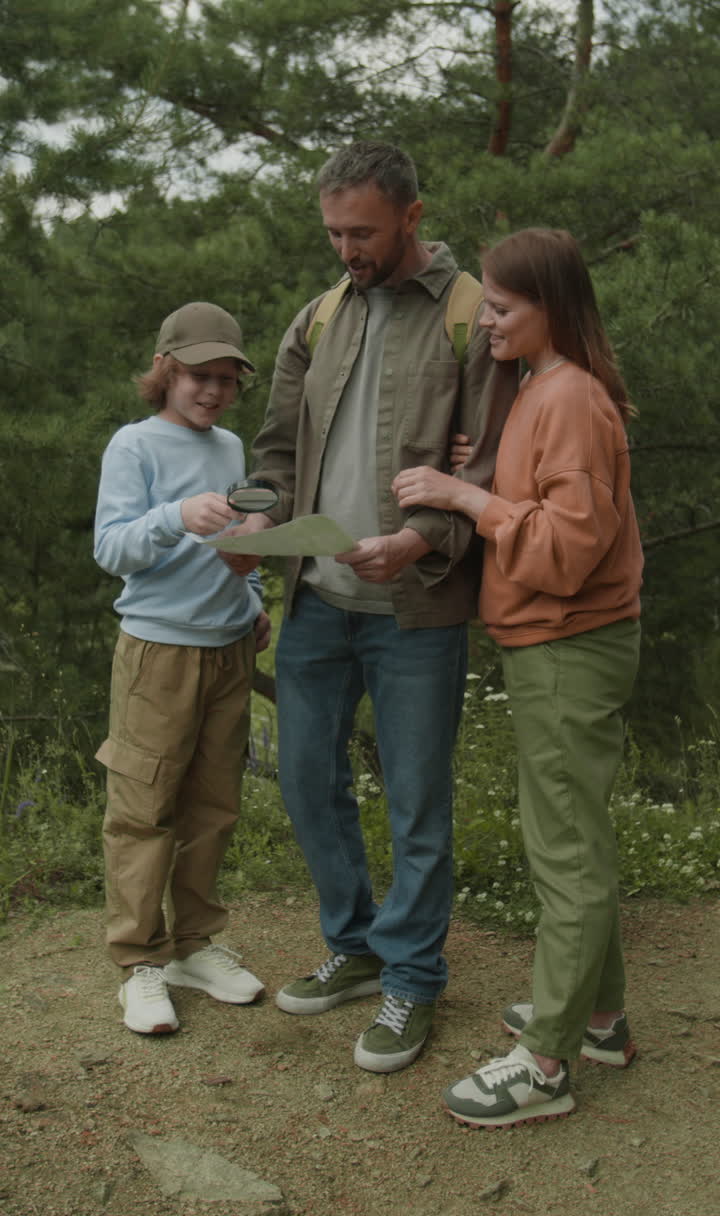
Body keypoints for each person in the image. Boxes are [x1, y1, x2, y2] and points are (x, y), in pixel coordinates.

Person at [228, 141, 518, 1073]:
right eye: (334, 232)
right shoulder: (317, 318)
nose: (346, 248)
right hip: (317, 597)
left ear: (411, 217)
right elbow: (275, 452)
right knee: (310, 785)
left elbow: (492, 466)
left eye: (362, 231)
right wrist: (250, 517)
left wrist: (423, 538)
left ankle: (413, 980)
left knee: (416, 807)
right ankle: (354, 947)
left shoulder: (472, 316)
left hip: (419, 607)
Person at [393, 227, 643, 1125]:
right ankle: (600, 1019)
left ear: (553, 309)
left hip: (571, 643)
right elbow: (546, 504)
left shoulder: (570, 396)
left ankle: (545, 1066)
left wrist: (464, 496)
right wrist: (485, 473)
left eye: (501, 307)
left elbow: (569, 551)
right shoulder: (543, 389)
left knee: (566, 852)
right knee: (572, 835)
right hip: (555, 645)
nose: (485, 321)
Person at [94, 301, 271, 1036]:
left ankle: (195, 943)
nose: (214, 392)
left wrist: (254, 595)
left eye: (227, 378)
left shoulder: (231, 447)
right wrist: (172, 517)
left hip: (228, 648)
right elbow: (111, 550)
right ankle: (140, 962)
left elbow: (245, 537)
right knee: (145, 806)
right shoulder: (135, 447)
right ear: (166, 370)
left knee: (214, 803)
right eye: (200, 375)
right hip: (158, 651)